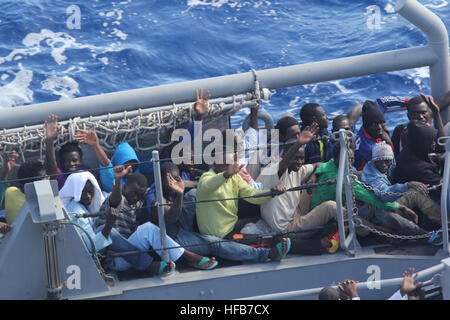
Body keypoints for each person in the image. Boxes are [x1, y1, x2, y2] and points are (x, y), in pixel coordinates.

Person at [149, 162, 290, 263]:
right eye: (170, 181)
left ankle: (274, 238)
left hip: (186, 230)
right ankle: (265, 254)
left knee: (193, 193)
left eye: (177, 179)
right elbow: (172, 217)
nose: (174, 183)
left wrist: (206, 179)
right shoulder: (156, 199)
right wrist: (180, 194)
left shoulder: (177, 184)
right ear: (160, 180)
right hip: (173, 239)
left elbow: (199, 185)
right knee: (214, 244)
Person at [94, 165, 218, 271]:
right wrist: (118, 179)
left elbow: (152, 190)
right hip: (116, 259)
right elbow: (116, 195)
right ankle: (190, 258)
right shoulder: (118, 199)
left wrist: (193, 185)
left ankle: (164, 262)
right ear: (124, 187)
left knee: (149, 228)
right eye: (133, 192)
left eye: (139, 195)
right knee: (145, 229)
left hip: (131, 253)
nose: (135, 197)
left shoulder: (137, 203)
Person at [311, 142, 432, 238]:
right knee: (377, 207)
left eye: (351, 159)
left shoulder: (330, 164)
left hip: (338, 210)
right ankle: (419, 233)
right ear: (335, 157)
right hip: (330, 226)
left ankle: (410, 232)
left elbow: (319, 165)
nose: (349, 163)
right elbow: (375, 199)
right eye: (345, 159)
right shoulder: (340, 179)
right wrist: (402, 208)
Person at [257, 124, 341, 254]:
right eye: (296, 158)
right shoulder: (276, 169)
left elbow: (318, 164)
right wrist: (298, 143)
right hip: (286, 229)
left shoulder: (298, 169)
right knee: (330, 207)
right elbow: (284, 163)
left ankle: (338, 219)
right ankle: (359, 225)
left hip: (294, 213)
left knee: (314, 185)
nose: (300, 162)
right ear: (285, 155)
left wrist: (314, 174)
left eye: (302, 158)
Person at [195, 141, 288, 241]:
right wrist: (226, 174)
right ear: (214, 163)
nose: (228, 167)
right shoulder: (206, 177)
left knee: (258, 221)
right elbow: (207, 186)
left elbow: (252, 195)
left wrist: (271, 193)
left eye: (230, 164)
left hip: (231, 227)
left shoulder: (235, 177)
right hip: (219, 235)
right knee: (251, 239)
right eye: (225, 164)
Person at [361, 141, 441, 228]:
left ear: (392, 159)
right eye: (379, 161)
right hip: (379, 210)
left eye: (387, 161)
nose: (383, 165)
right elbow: (385, 195)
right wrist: (407, 185)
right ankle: (445, 222)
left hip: (386, 204)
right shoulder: (371, 175)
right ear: (374, 161)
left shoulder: (392, 162)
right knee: (416, 195)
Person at [379, 94, 445, 157]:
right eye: (416, 113)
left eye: (423, 112)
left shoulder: (430, 129)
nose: (421, 117)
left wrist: (436, 113)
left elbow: (442, 146)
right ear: (408, 116)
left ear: (429, 113)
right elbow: (394, 154)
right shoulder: (401, 131)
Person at [393, 120, 442, 202]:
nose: (434, 143)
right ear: (422, 143)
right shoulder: (418, 168)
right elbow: (441, 188)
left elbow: (433, 160)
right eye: (431, 141)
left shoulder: (411, 150)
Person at [5, 160, 49, 225]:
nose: (48, 177)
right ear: (34, 184)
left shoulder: (9, 191)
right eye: (45, 177)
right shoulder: (41, 202)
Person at [354, 100, 393, 171]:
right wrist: (389, 143)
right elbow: (390, 163)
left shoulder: (366, 126)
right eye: (375, 124)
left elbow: (382, 101)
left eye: (382, 122)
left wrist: (407, 102)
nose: (379, 127)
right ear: (367, 126)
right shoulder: (369, 148)